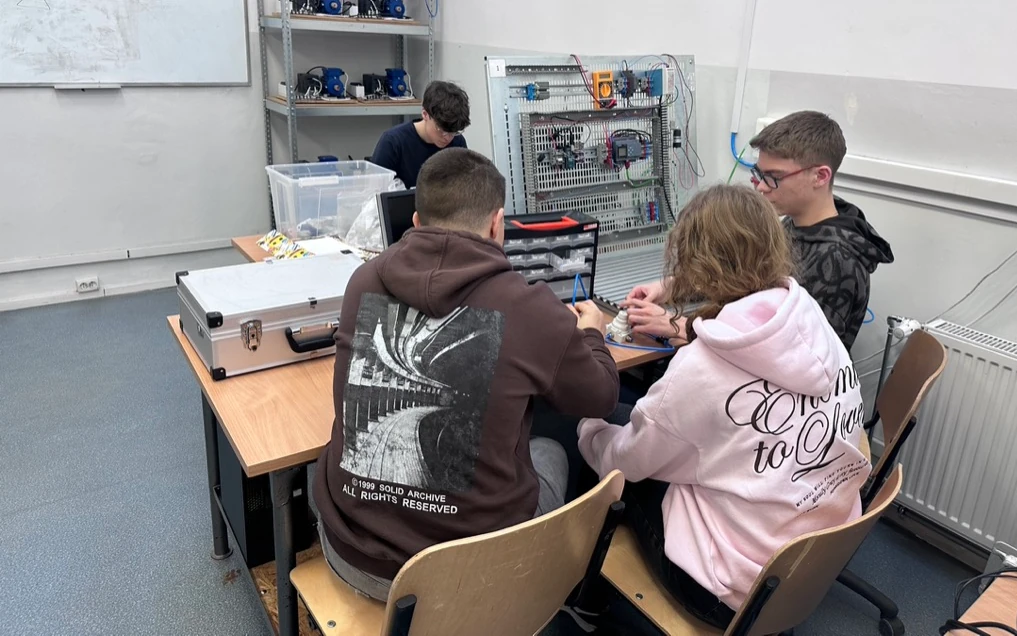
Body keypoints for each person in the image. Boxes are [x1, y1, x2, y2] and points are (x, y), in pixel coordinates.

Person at [313, 147, 620, 601]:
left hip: (352, 556)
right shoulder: (531, 309)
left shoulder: (363, 280)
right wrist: (592, 333)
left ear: (416, 222)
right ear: (497, 224)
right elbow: (601, 397)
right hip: (470, 579)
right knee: (550, 450)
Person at [578, 185, 870, 629]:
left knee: (609, 443)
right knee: (662, 439)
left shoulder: (698, 369)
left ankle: (586, 601)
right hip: (814, 556)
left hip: (731, 591)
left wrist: (586, 424)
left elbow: (625, 462)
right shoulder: (807, 316)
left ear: (696, 265)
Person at [749, 110, 894, 350]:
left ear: (820, 176)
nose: (761, 187)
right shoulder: (795, 225)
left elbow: (801, 356)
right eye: (759, 174)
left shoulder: (836, 260)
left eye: (774, 177)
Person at [370, 80, 470, 188]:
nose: (448, 138)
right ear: (425, 114)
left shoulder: (458, 142)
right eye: (441, 130)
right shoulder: (393, 142)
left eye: (454, 132)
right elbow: (375, 191)